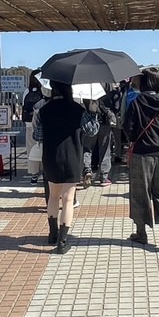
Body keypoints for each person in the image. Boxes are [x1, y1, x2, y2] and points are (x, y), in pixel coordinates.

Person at [120, 68, 159, 248]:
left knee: (140, 193)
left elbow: (127, 127)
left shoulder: (137, 102)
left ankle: (141, 232)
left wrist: (134, 139)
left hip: (141, 153)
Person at [35, 82, 98, 253]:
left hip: (51, 157)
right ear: (70, 90)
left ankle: (52, 234)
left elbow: (37, 135)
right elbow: (91, 131)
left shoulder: (44, 110)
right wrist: (93, 112)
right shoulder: (78, 109)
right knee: (68, 199)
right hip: (72, 157)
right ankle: (63, 241)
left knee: (53, 197)